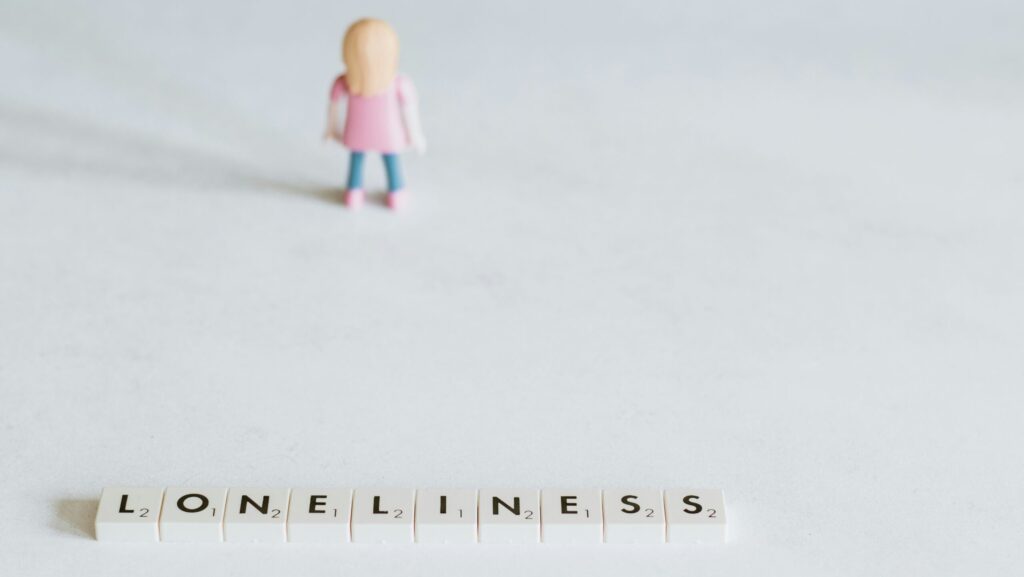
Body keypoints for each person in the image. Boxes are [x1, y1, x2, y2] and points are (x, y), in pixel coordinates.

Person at [324, 19, 426, 210]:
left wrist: (331, 130)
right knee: (391, 159)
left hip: (356, 134)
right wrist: (415, 135)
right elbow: (410, 111)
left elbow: (333, 108)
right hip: (389, 135)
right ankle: (396, 193)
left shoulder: (344, 82)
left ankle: (353, 193)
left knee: (357, 157)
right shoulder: (400, 84)